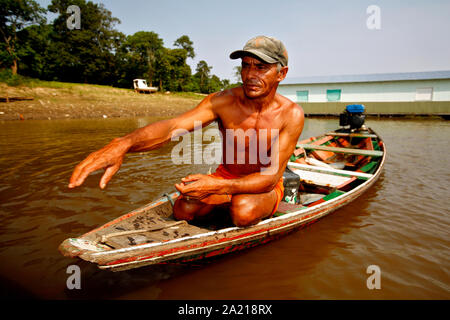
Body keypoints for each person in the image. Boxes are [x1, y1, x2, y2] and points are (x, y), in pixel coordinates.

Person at [68, 35, 304, 227]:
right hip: (227, 175)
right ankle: (226, 207)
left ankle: (238, 209)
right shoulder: (223, 101)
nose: (250, 75)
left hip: (266, 187)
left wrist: (218, 187)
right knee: (183, 209)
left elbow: (270, 178)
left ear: (281, 74)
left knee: (243, 211)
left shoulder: (291, 114)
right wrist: (124, 143)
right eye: (246, 66)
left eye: (261, 68)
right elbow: (172, 127)